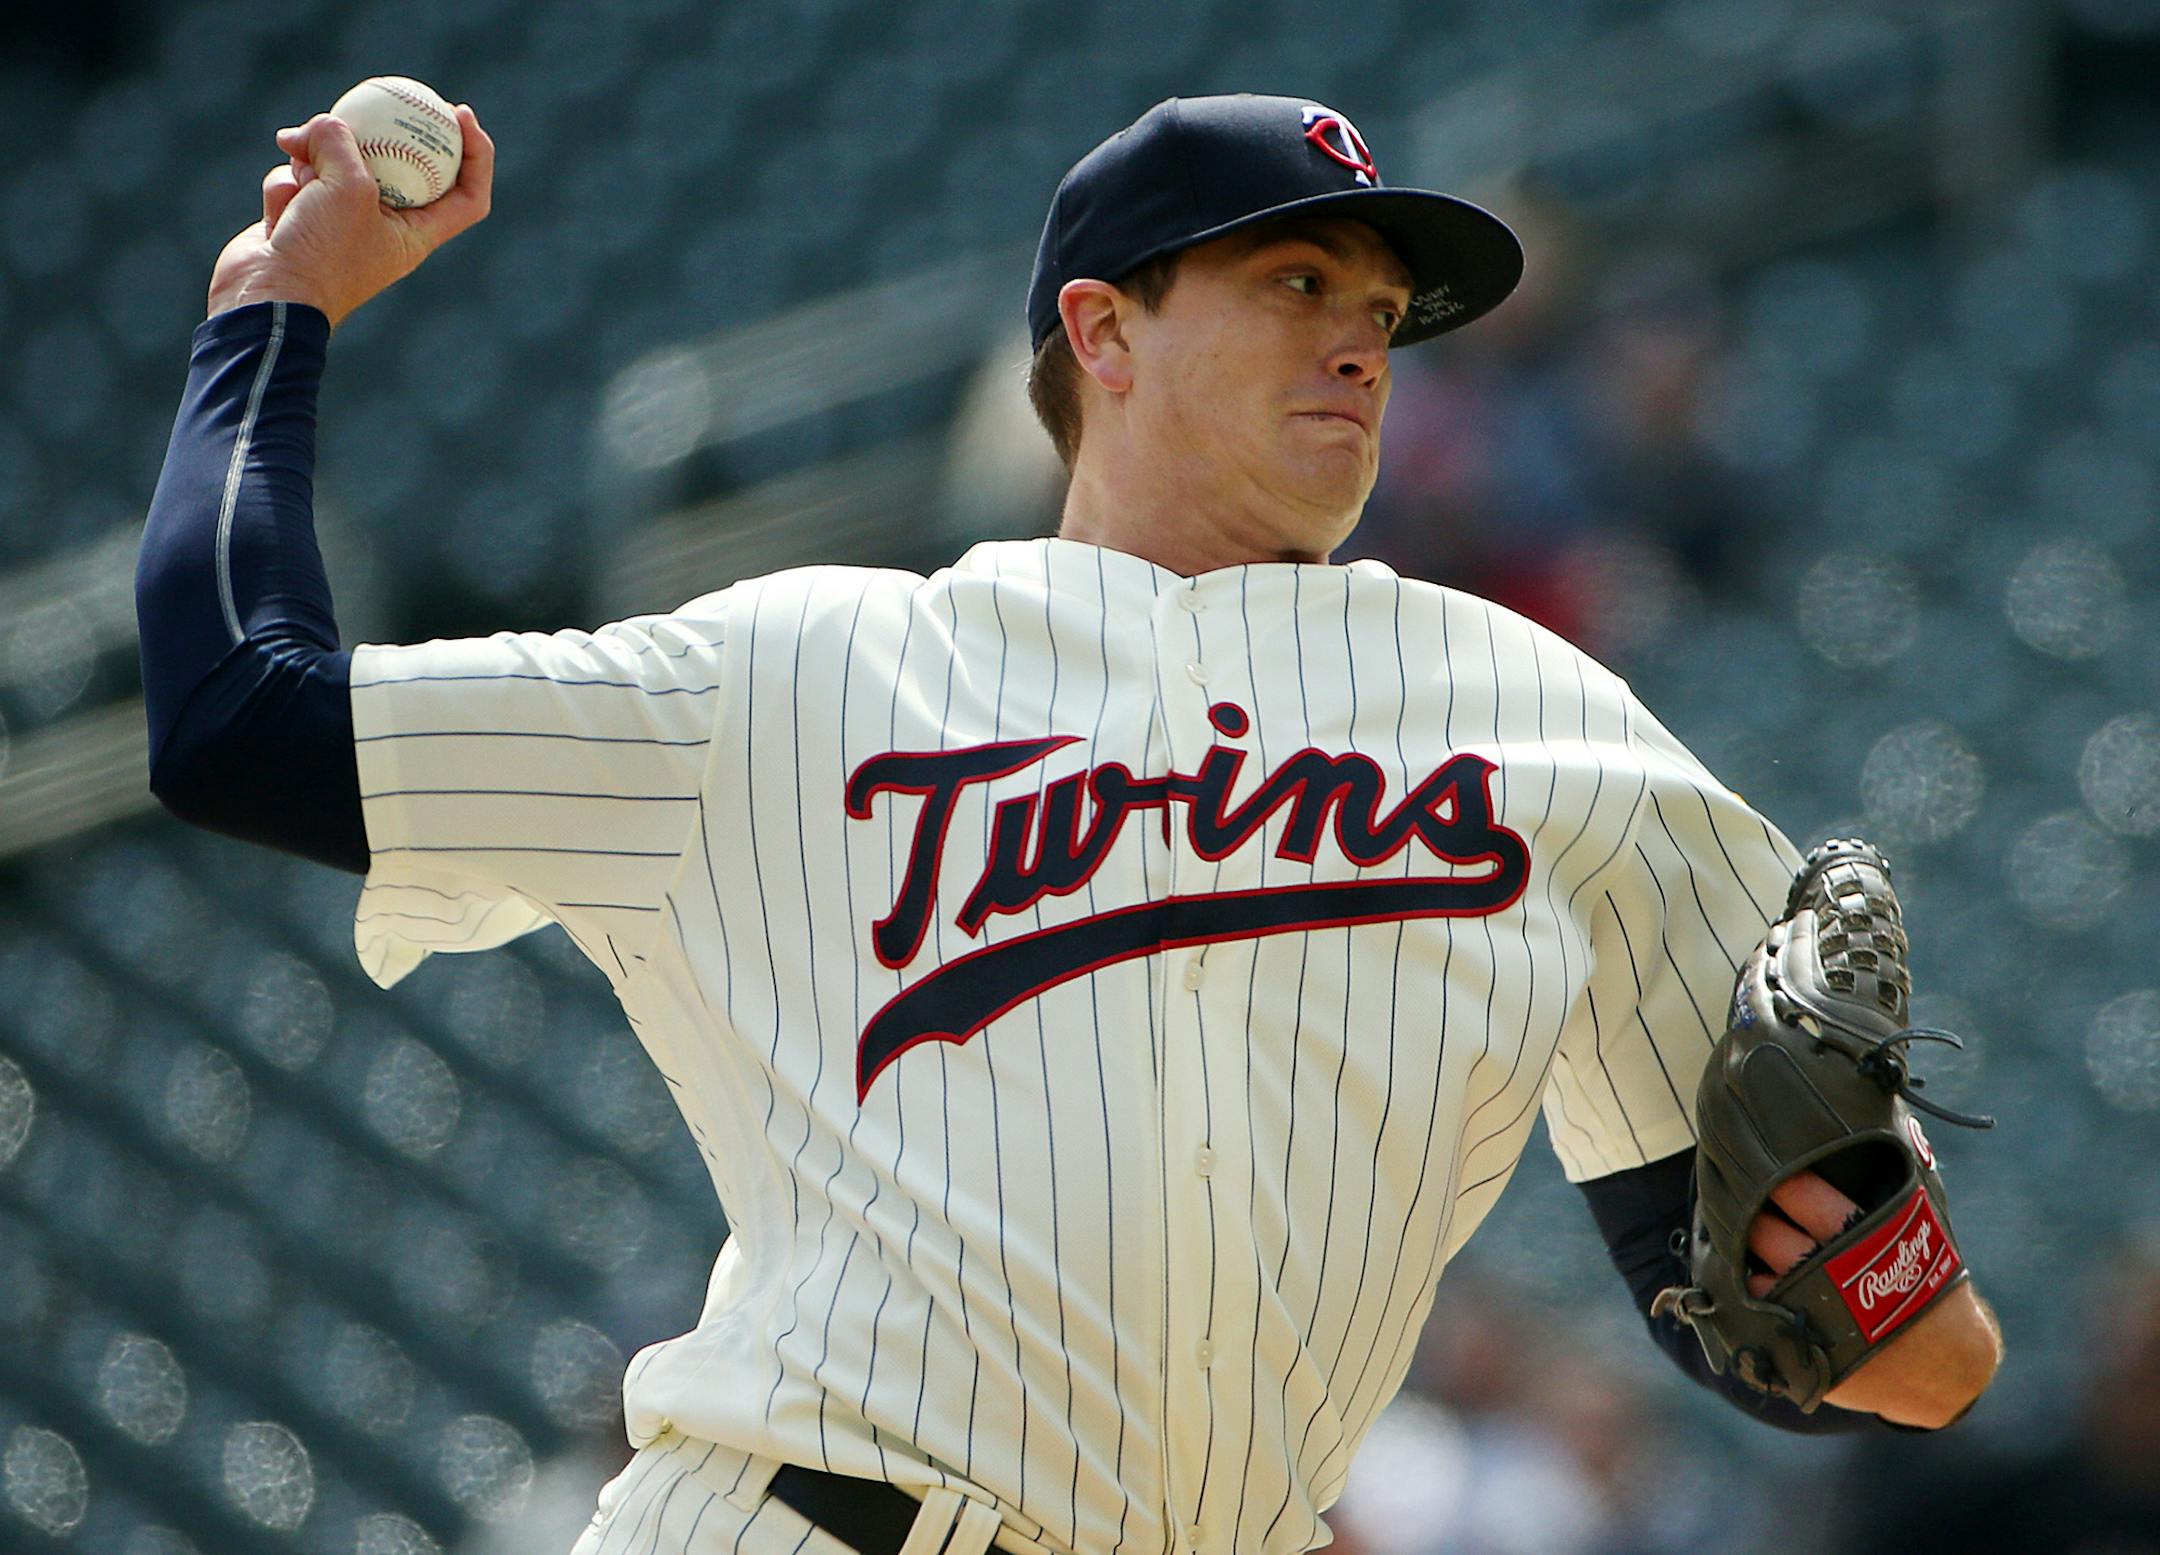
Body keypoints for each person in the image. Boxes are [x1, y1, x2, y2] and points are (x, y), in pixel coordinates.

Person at [135, 92, 2002, 1555]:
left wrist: (1871, 1284)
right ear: (1101, 331)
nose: (1362, 344)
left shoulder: (1544, 715)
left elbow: (1855, 1363)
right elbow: (241, 722)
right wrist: (272, 311)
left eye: (1382, 310)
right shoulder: (796, 668)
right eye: (1295, 285)